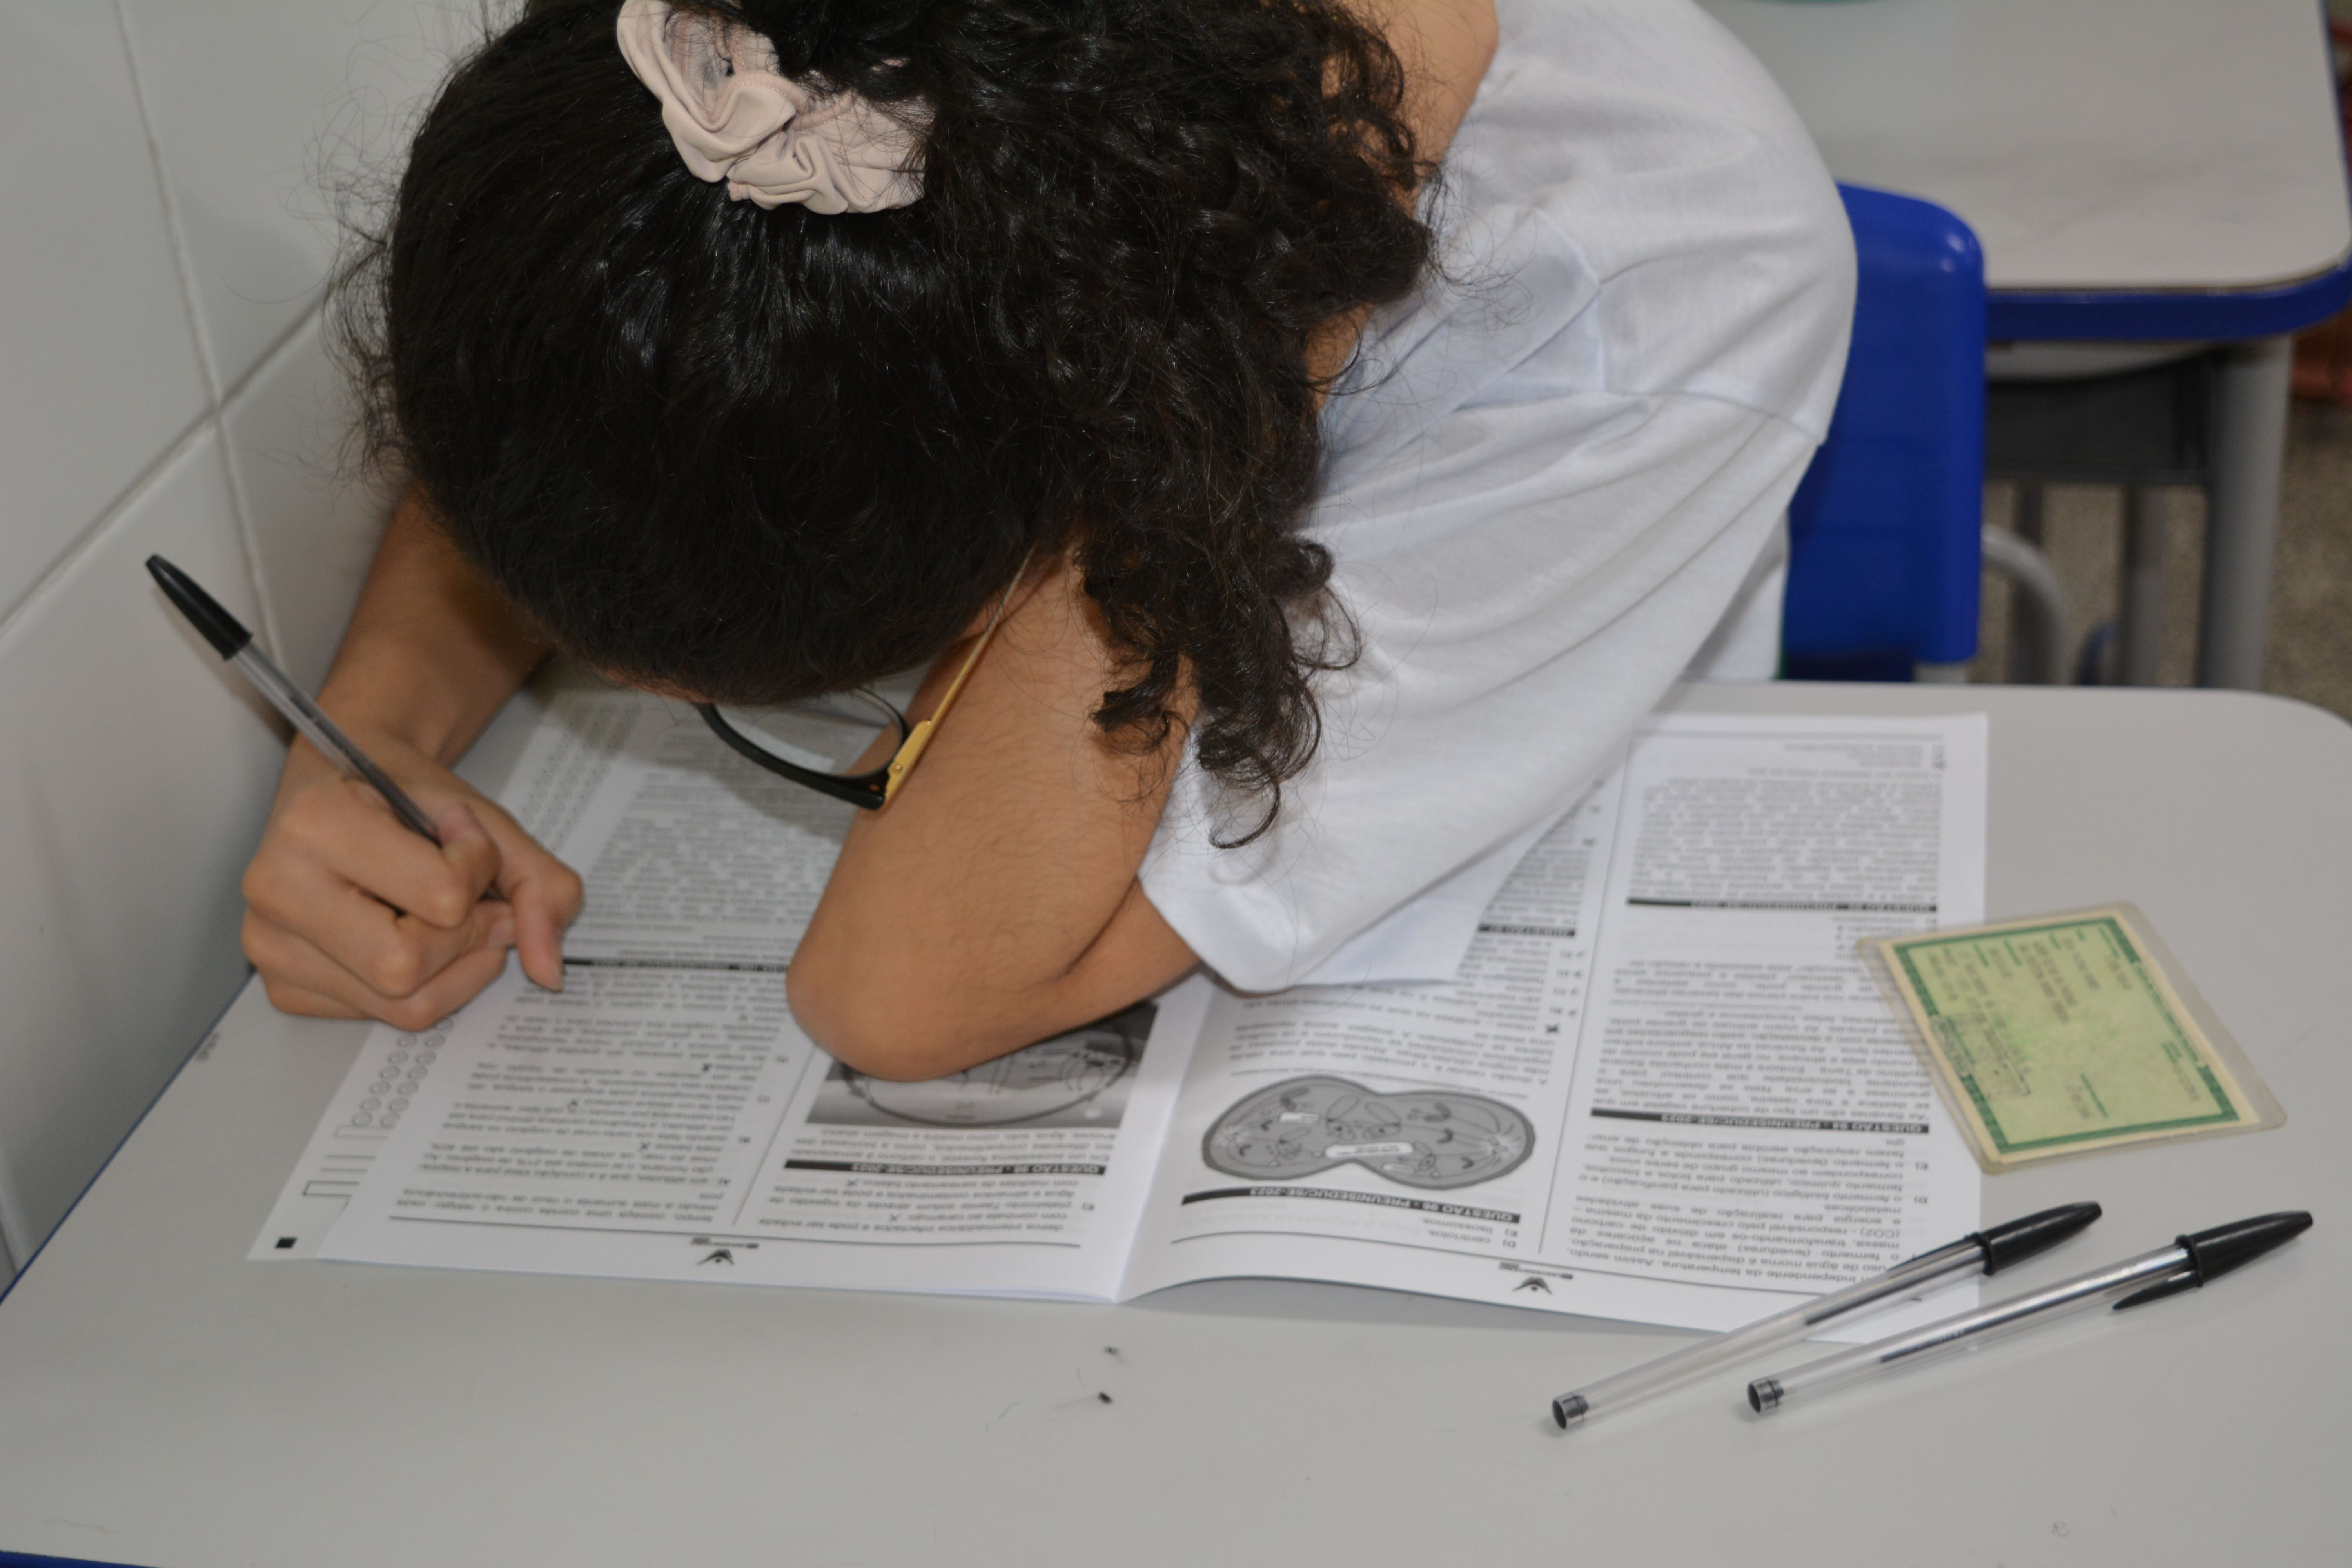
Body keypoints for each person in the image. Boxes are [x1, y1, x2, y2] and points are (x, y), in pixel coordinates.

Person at [240, 0, 1852, 1081]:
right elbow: (619, 332)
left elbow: (904, 991)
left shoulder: (1659, 290)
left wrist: (1228, 381)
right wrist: (367, 737)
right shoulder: (778, 54)